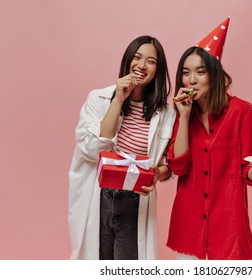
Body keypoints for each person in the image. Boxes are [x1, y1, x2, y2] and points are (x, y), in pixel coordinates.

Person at [166, 18, 252, 260]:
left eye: (200, 72)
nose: (192, 79)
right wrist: (183, 115)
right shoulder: (184, 112)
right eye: (186, 73)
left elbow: (249, 174)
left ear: (213, 75)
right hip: (188, 228)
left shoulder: (241, 112)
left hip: (229, 229)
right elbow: (179, 167)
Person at [68, 35, 176, 260]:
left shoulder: (166, 114)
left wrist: (157, 174)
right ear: (127, 60)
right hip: (100, 197)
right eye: (137, 57)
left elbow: (170, 165)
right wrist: (118, 100)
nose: (142, 65)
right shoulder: (99, 99)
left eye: (151, 61)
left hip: (135, 200)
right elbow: (92, 149)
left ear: (158, 69)